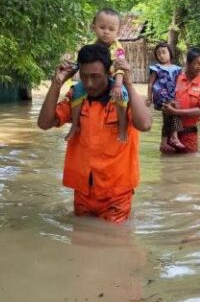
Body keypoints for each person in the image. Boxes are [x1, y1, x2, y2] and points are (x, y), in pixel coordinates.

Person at [37, 43, 152, 223]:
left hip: (117, 193)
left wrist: (128, 83)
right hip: (83, 191)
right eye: (84, 76)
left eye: (96, 77)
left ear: (108, 73)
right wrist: (56, 83)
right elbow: (44, 123)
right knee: (81, 241)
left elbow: (145, 124)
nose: (89, 83)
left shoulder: (123, 97)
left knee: (114, 242)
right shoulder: (76, 96)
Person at [66, 9, 130, 143]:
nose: (106, 31)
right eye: (102, 27)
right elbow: (82, 64)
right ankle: (75, 125)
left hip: (113, 80)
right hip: (94, 81)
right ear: (93, 27)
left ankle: (122, 127)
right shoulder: (90, 46)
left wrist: (118, 85)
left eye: (111, 29)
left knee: (122, 95)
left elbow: (120, 68)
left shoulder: (117, 49)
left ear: (118, 31)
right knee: (77, 92)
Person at [160, 47, 200, 153]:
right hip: (169, 134)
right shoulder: (176, 78)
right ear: (188, 63)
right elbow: (164, 99)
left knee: (189, 165)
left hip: (189, 136)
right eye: (197, 63)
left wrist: (176, 112)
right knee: (167, 167)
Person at [146, 42, 184, 153]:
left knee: (167, 119)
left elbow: (180, 84)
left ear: (170, 53)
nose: (161, 55)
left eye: (164, 52)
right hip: (161, 96)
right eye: (158, 54)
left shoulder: (177, 69)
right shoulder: (156, 68)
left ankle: (164, 143)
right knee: (174, 111)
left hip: (173, 96)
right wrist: (149, 98)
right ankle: (174, 137)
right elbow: (150, 84)